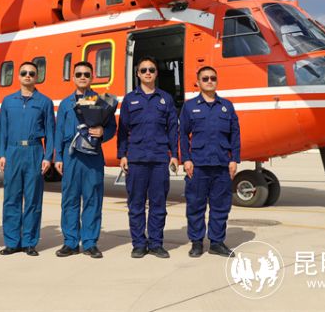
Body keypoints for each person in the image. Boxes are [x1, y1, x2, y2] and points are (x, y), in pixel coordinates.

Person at [53, 61, 116, 258]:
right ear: (73, 77)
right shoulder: (65, 104)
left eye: (86, 74)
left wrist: (103, 132)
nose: (82, 77)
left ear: (92, 77)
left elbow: (112, 128)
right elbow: (59, 131)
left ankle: (89, 243)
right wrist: (58, 157)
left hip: (93, 158)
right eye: (79, 74)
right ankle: (70, 242)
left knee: (92, 199)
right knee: (69, 200)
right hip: (71, 157)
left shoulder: (100, 102)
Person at [117, 57, 179, 258]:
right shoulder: (129, 99)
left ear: (156, 73)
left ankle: (156, 243)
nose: (147, 73)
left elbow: (173, 129)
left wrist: (174, 155)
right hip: (136, 159)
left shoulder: (166, 99)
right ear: (138, 74)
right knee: (136, 204)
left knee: (158, 204)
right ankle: (138, 244)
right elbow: (122, 130)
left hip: (159, 159)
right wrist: (122, 155)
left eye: (151, 69)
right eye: (143, 70)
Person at [179, 66, 240, 258]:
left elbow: (235, 134)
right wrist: (186, 159)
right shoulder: (190, 106)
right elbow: (182, 135)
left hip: (222, 164)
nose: (209, 81)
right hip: (198, 165)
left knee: (221, 206)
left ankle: (216, 242)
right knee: (195, 205)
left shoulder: (227, 106)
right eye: (205, 78)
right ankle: (197, 242)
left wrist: (234, 159)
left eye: (213, 78)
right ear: (198, 82)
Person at [0, 61, 55, 256]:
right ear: (18, 76)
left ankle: (29, 242)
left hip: (34, 151)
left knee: (33, 199)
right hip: (12, 151)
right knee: (11, 199)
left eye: (31, 73)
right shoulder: (8, 101)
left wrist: (48, 156)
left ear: (37, 77)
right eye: (24, 73)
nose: (28, 75)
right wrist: (1, 154)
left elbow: (50, 132)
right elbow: (2, 130)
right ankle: (12, 242)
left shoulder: (45, 102)